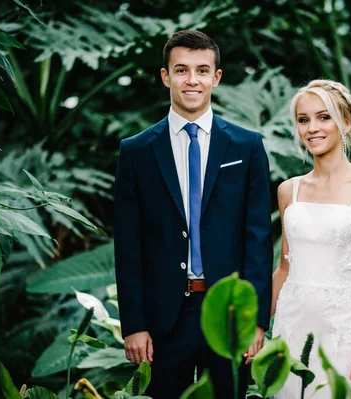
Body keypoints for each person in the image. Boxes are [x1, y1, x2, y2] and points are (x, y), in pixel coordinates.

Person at [113, 30, 273, 399]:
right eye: (181, 70)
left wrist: (256, 319)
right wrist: (133, 325)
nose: (192, 80)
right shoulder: (136, 152)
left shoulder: (247, 146)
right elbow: (128, 245)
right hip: (164, 320)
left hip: (229, 313)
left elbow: (259, 238)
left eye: (202, 70)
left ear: (216, 78)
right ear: (166, 76)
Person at [271, 80, 351, 398]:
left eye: (324, 117)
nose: (312, 128)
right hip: (290, 328)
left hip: (344, 332)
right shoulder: (288, 190)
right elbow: (284, 269)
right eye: (303, 119)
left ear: (347, 122)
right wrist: (255, 328)